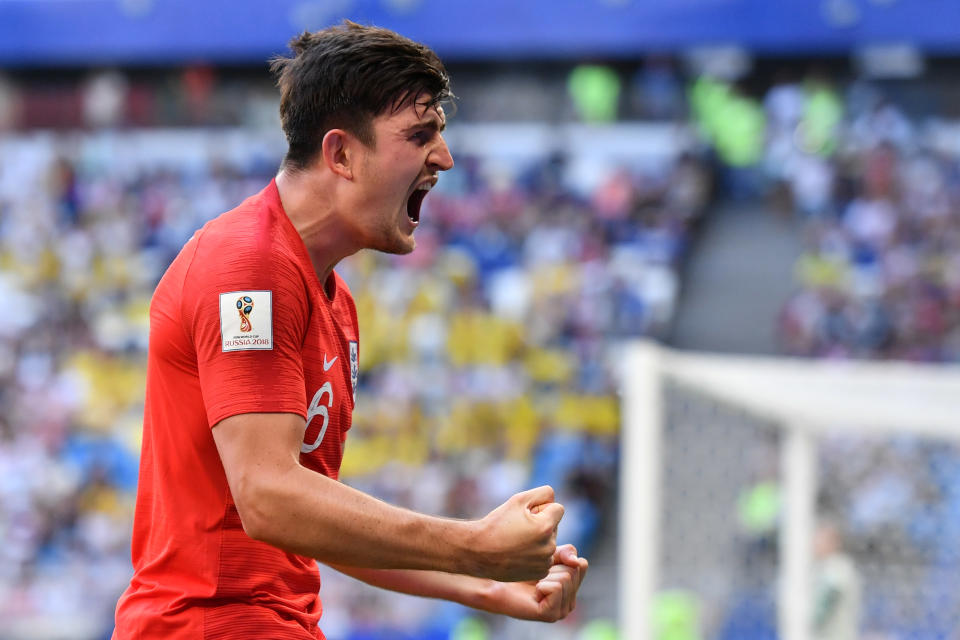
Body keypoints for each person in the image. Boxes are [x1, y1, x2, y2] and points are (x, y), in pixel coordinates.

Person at [113, 21, 587, 639]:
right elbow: (269, 497)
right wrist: (473, 545)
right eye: (421, 135)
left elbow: (311, 519)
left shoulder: (333, 301)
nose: (444, 158)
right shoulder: (247, 270)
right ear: (340, 154)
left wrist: (491, 585)